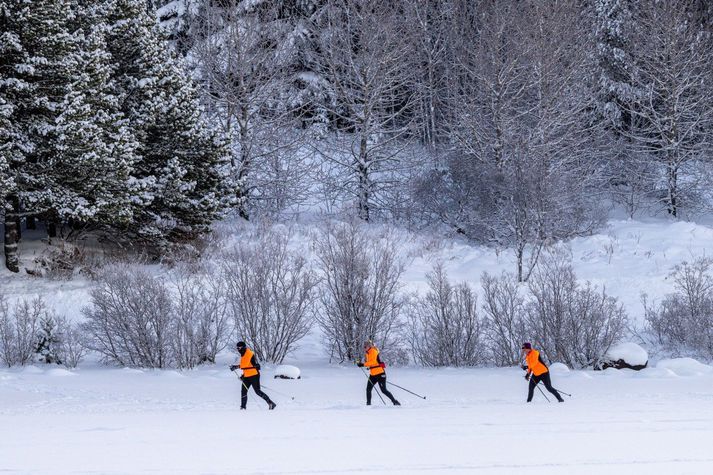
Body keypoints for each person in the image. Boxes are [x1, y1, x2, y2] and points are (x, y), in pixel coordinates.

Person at [230, 341, 277, 410]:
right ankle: (243, 407)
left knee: (257, 391)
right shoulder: (243, 354)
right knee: (243, 391)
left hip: (254, 375)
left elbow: (244, 365)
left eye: (239, 347)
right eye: (237, 348)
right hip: (247, 376)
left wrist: (236, 367)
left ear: (243, 347)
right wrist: (243, 375)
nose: (238, 349)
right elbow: (247, 366)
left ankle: (271, 403)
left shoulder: (249, 353)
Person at [356, 341, 400, 406]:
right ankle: (368, 404)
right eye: (364, 346)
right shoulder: (367, 353)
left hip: (380, 374)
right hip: (373, 375)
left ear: (369, 346)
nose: (364, 348)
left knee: (383, 390)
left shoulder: (373, 351)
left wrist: (363, 364)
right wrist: (361, 364)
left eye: (365, 346)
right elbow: (371, 363)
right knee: (368, 389)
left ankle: (395, 402)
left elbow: (373, 362)